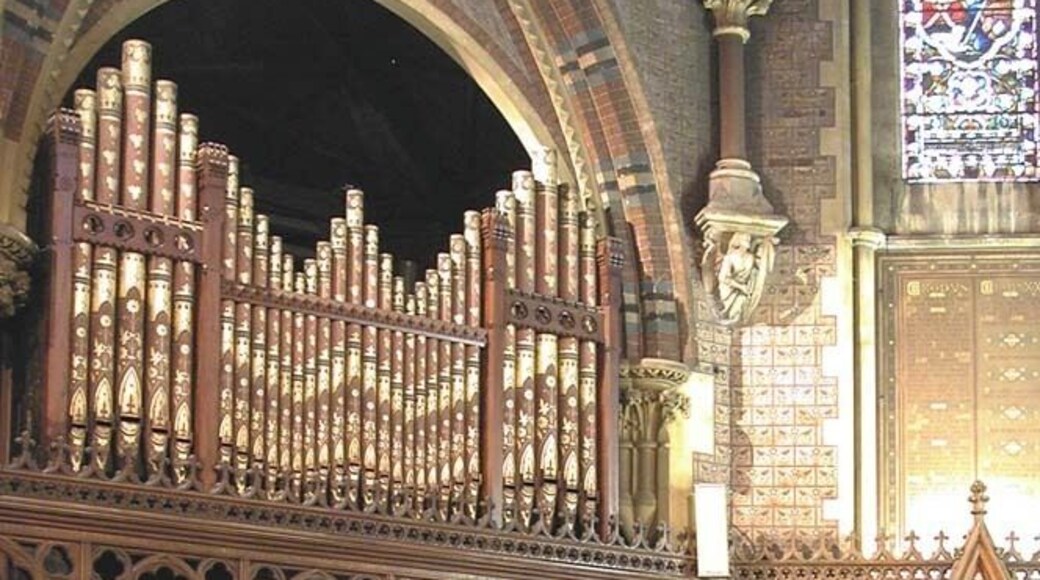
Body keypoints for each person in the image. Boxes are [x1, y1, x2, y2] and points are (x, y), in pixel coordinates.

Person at [717, 232, 757, 321]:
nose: (746, 244)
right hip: (729, 289)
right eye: (744, 240)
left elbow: (754, 272)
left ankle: (735, 322)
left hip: (743, 290)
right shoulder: (730, 258)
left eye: (748, 240)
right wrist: (740, 286)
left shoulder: (750, 257)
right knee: (731, 310)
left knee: (739, 307)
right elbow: (723, 277)